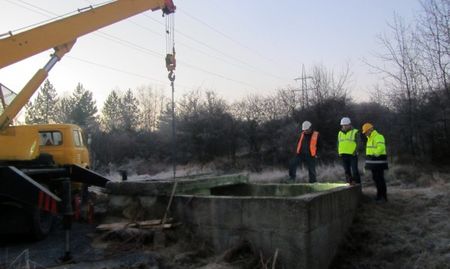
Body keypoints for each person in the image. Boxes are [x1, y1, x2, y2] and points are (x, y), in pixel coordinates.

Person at [362, 123, 388, 202]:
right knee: (376, 179)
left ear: (370, 130)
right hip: (373, 162)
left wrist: (374, 155)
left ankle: (383, 197)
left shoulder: (378, 136)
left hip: (379, 161)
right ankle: (379, 196)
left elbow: (381, 147)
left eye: (366, 131)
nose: (365, 133)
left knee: (380, 179)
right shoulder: (369, 138)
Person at [337, 117, 361, 184]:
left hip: (352, 154)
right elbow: (338, 143)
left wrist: (355, 151)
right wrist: (339, 152)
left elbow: (359, 143)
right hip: (343, 155)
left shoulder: (355, 132)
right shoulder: (340, 133)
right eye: (343, 125)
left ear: (349, 124)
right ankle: (349, 185)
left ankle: (358, 185)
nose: (344, 126)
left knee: (355, 171)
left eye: (346, 125)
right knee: (347, 171)